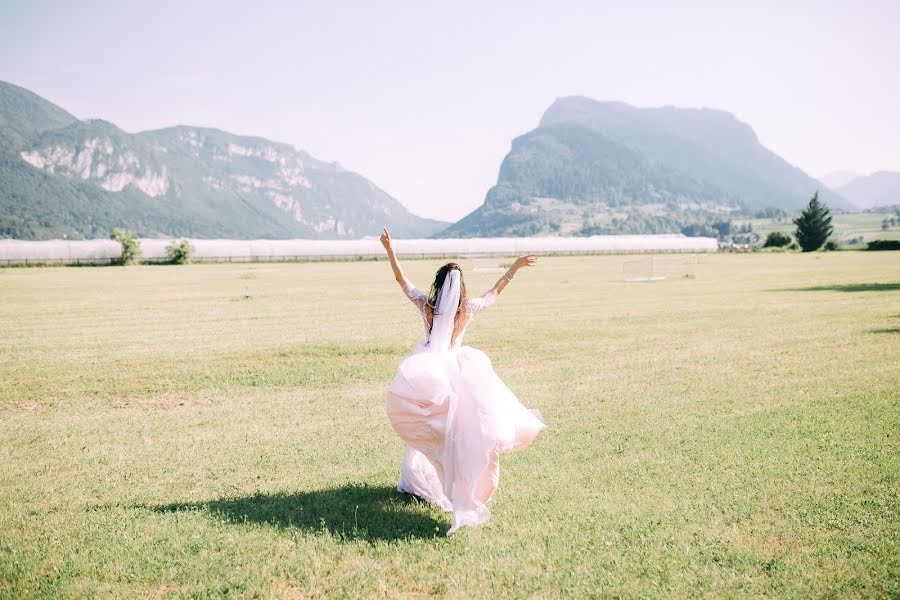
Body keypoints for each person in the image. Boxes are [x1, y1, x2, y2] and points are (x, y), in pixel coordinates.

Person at [380, 227, 546, 535]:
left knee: (425, 428)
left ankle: (416, 479)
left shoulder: (427, 308)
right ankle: (444, 483)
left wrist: (390, 250)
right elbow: (493, 293)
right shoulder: (466, 311)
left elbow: (403, 282)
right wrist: (514, 268)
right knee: (455, 433)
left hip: (427, 376)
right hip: (455, 375)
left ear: (438, 285)